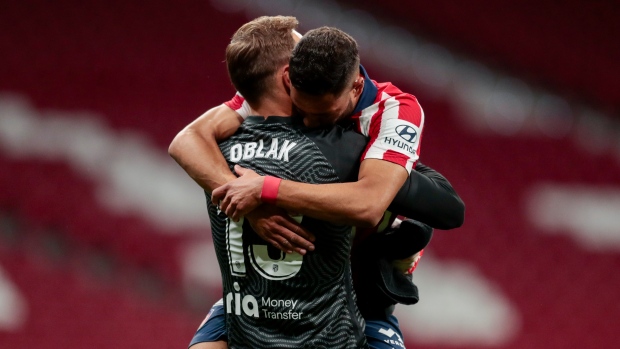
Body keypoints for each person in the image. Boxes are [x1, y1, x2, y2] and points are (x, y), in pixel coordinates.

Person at [169, 18, 464, 349]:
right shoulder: (293, 84)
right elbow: (187, 140)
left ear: (354, 88)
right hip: (268, 296)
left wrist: (264, 189)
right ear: (288, 79)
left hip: (354, 287)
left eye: (321, 118)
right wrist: (250, 207)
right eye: (299, 106)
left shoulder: (389, 112)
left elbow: (387, 205)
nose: (307, 122)